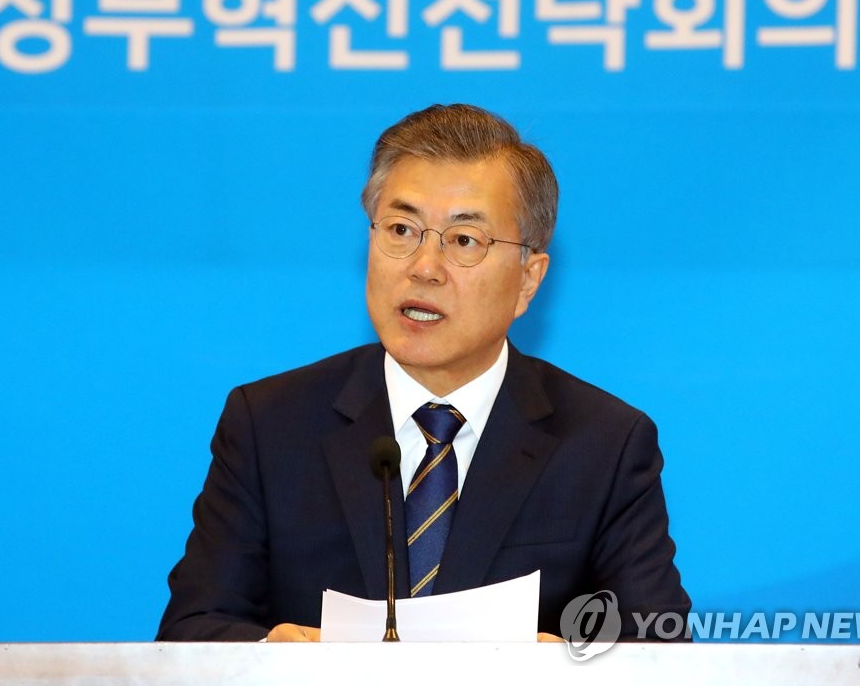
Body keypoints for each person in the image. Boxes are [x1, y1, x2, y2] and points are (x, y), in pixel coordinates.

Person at [157, 103, 690, 643]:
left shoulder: (603, 444)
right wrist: (273, 655)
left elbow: (661, 646)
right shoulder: (270, 425)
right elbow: (191, 630)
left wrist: (566, 663)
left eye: (464, 240)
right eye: (401, 229)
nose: (424, 267)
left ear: (528, 280)